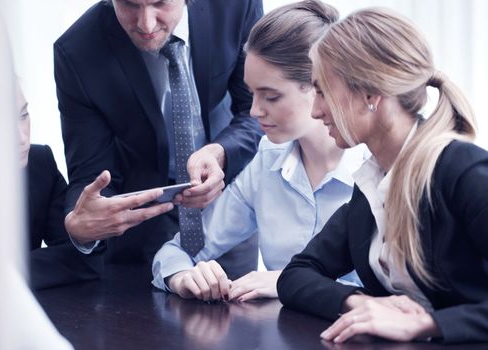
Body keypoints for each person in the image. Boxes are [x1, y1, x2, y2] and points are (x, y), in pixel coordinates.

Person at [277, 7, 488, 344]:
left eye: (321, 91)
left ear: (371, 95)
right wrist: (360, 303)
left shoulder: (463, 172)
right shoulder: (371, 185)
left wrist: (429, 324)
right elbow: (295, 275)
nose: (316, 111)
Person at [152, 0, 368, 302]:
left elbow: (405, 297)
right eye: (252, 94)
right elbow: (175, 252)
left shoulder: (379, 168)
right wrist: (183, 277)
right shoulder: (266, 161)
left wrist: (291, 282)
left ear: (321, 86)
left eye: (271, 96)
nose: (253, 111)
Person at [54, 0, 263, 274]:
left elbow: (256, 109)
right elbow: (91, 172)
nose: (146, 24)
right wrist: (81, 226)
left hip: (229, 199)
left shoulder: (235, 6)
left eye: (159, 3)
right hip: (143, 221)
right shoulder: (77, 52)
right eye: (130, 5)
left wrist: (221, 153)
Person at [17, 82, 103, 290]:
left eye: (22, 116)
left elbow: (82, 259)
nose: (21, 139)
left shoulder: (40, 163)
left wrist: (4, 272)